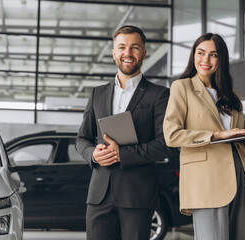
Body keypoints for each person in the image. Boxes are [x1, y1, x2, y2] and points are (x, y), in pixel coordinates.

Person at [163, 33, 245, 240]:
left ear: (221, 59)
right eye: (201, 53)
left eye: (213, 55)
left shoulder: (233, 96)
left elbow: (242, 142)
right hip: (206, 181)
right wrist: (216, 135)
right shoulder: (182, 88)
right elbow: (172, 135)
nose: (205, 60)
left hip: (241, 178)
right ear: (193, 56)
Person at [76, 25, 177, 240]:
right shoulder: (97, 94)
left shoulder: (159, 96)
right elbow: (82, 139)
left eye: (135, 48)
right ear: (114, 53)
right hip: (99, 196)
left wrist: (123, 154)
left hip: (138, 196)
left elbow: (166, 145)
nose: (128, 53)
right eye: (122, 47)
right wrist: (93, 154)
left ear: (144, 53)